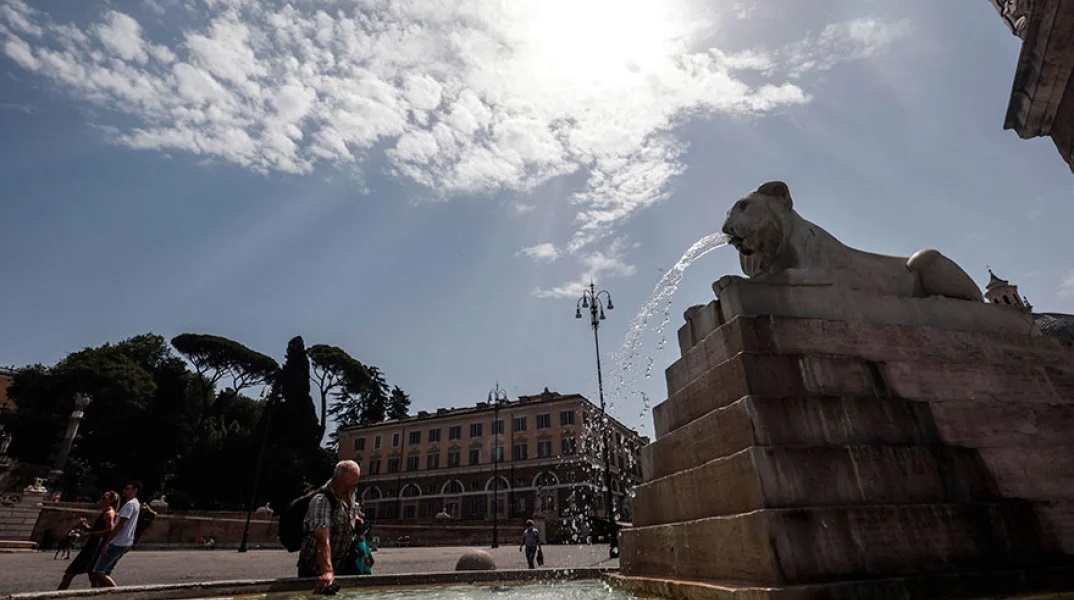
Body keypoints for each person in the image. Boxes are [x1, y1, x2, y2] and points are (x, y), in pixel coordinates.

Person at [298, 460, 363, 594]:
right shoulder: (321, 501)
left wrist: (355, 520)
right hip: (314, 570)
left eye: (354, 486)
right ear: (336, 480)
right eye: (347, 487)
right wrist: (327, 571)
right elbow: (322, 539)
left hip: (339, 566)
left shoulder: (349, 493)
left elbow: (348, 512)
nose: (350, 491)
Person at [57, 491, 118, 590]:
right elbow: (100, 530)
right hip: (93, 545)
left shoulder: (108, 513)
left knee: (70, 574)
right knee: (93, 577)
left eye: (104, 498)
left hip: (94, 547)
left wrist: (91, 533)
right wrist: (86, 526)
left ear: (111, 500)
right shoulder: (107, 512)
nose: (101, 500)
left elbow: (110, 530)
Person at [88, 481, 141, 588]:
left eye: (127, 488)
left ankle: (117, 593)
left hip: (118, 542)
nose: (124, 491)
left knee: (98, 572)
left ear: (135, 490)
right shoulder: (136, 503)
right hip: (126, 542)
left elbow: (120, 526)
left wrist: (107, 543)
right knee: (107, 571)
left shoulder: (129, 505)